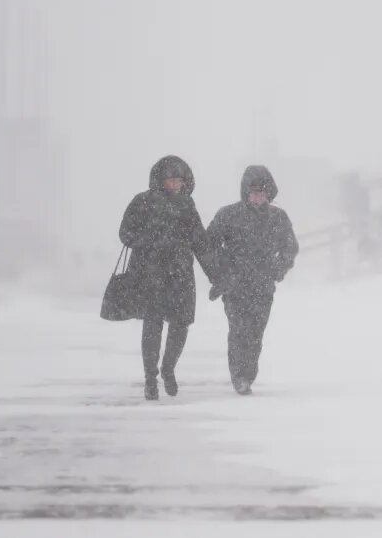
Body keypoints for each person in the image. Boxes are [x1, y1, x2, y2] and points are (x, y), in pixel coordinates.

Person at [119, 155, 214, 400]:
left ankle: (168, 368)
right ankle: (150, 378)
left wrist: (216, 276)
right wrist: (151, 242)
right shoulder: (143, 202)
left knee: (181, 324)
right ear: (161, 181)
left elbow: (200, 243)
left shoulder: (187, 206)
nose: (175, 185)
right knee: (153, 326)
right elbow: (125, 233)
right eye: (171, 180)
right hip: (151, 274)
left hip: (181, 274)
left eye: (179, 181)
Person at [207, 166, 299, 395]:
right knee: (238, 330)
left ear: (269, 194)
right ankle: (239, 377)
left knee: (256, 333)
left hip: (263, 285)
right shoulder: (228, 215)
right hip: (235, 285)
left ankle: (248, 374)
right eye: (254, 192)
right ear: (246, 193)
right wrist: (222, 272)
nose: (258, 196)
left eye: (262, 192)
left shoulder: (278, 217)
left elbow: (290, 247)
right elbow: (209, 245)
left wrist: (278, 269)